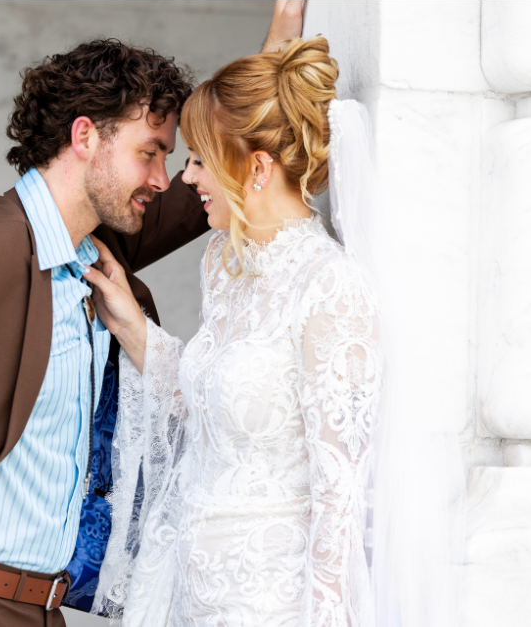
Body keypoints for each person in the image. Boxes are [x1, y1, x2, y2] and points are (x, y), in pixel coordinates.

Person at [0, 6, 305, 626]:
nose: (161, 178)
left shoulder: (100, 245)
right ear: (85, 136)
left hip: (40, 611)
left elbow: (215, 193)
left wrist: (276, 55)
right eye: (150, 153)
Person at [81, 37, 380, 625]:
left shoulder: (329, 285)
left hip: (269, 600)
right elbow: (208, 408)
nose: (186, 178)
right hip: (189, 589)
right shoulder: (224, 260)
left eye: (199, 159)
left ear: (258, 168)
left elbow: (340, 493)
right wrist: (130, 323)